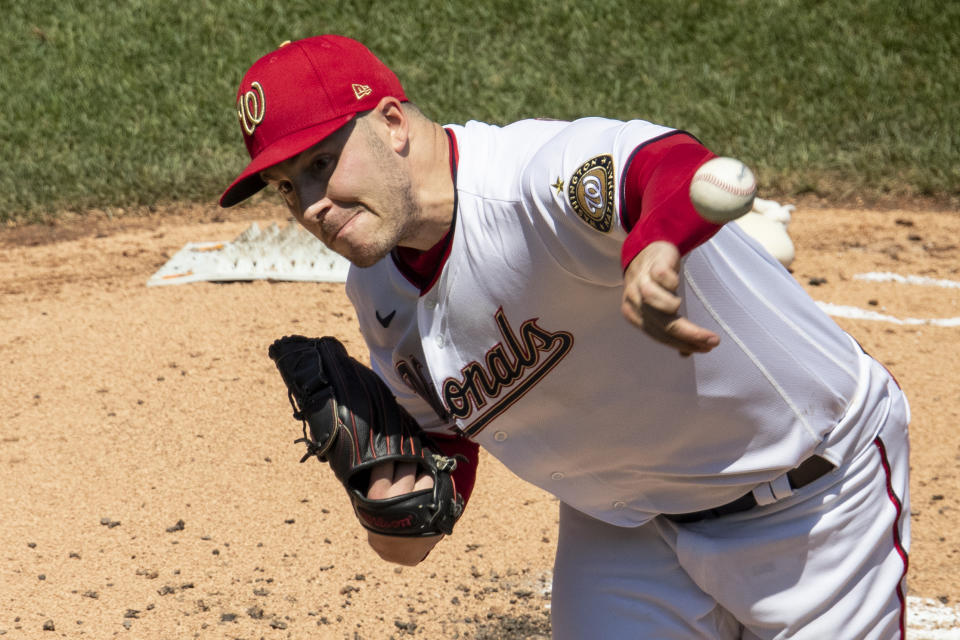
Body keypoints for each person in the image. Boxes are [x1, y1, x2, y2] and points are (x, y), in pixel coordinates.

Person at [220, 35, 911, 639]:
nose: (309, 204)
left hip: (813, 499)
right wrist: (397, 503)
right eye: (285, 186)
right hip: (627, 532)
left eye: (320, 163)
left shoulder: (530, 183)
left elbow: (664, 165)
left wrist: (656, 246)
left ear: (392, 122)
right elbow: (442, 460)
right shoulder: (378, 294)